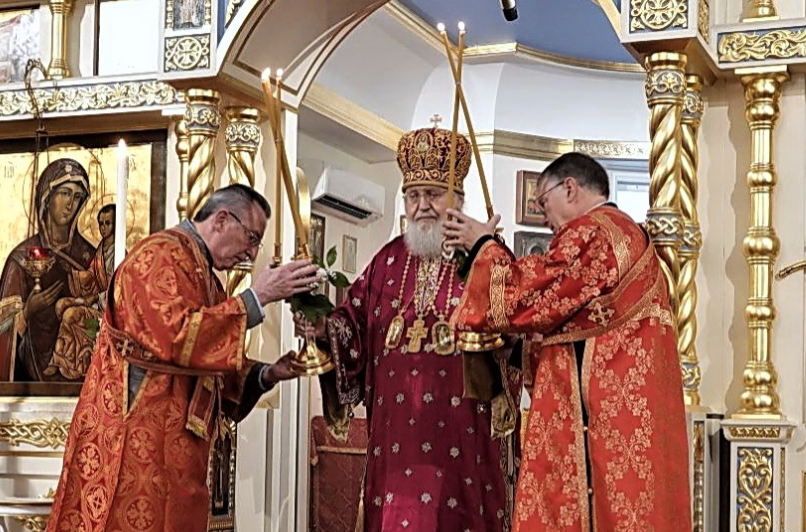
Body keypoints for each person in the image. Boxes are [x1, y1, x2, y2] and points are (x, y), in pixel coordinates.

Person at [46, 184, 322, 532]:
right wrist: (257, 296)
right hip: (134, 440)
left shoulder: (204, 273)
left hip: (175, 449)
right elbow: (176, 336)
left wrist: (266, 374)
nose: (250, 253)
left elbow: (207, 362)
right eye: (251, 238)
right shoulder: (158, 255)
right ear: (222, 219)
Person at [443, 152, 692, 531]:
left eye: (543, 202)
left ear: (570, 188)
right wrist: (519, 349)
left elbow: (527, 296)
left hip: (602, 429)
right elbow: (575, 330)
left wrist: (483, 245)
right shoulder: (625, 232)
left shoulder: (594, 231)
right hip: (630, 423)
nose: (543, 216)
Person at [296, 127, 521, 532]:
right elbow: (353, 326)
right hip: (395, 437)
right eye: (413, 196)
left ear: (457, 199)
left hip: (464, 436)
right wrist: (323, 327)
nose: (422, 207)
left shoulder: (484, 255)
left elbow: (515, 331)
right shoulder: (387, 261)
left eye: (433, 195)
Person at [0, 158, 96, 382]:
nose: (70, 203)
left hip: (82, 378)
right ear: (47, 197)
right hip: (28, 379)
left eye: (77, 196)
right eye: (64, 193)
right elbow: (2, 332)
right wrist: (27, 312)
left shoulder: (91, 258)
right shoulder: (21, 259)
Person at [44, 204, 118, 379]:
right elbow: (92, 277)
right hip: (95, 303)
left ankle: (61, 361)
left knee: (70, 315)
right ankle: (74, 357)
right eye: (101, 223)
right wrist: (73, 273)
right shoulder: (101, 249)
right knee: (61, 305)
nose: (103, 227)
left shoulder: (119, 253)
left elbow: (117, 290)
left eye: (108, 223)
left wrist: (92, 298)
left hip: (105, 315)